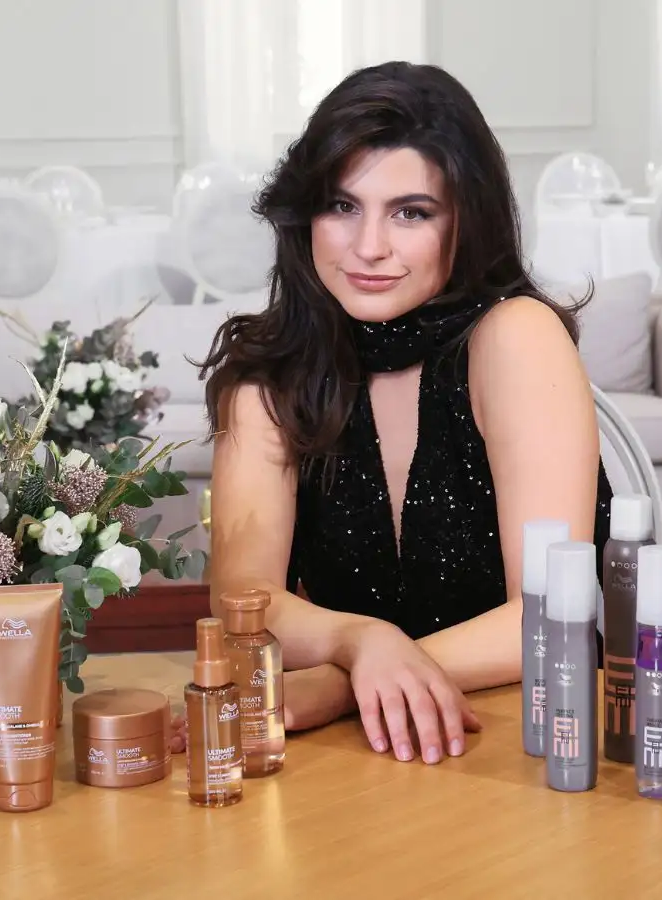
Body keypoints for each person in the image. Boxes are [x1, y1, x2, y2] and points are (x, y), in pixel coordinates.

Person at [191, 61, 612, 765]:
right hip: (355, 752)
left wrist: (339, 682)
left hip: (530, 729)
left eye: (411, 212)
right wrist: (359, 644)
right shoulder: (270, 375)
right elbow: (244, 601)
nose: (369, 247)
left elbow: (549, 618)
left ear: (465, 222)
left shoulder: (516, 337)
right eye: (342, 206)